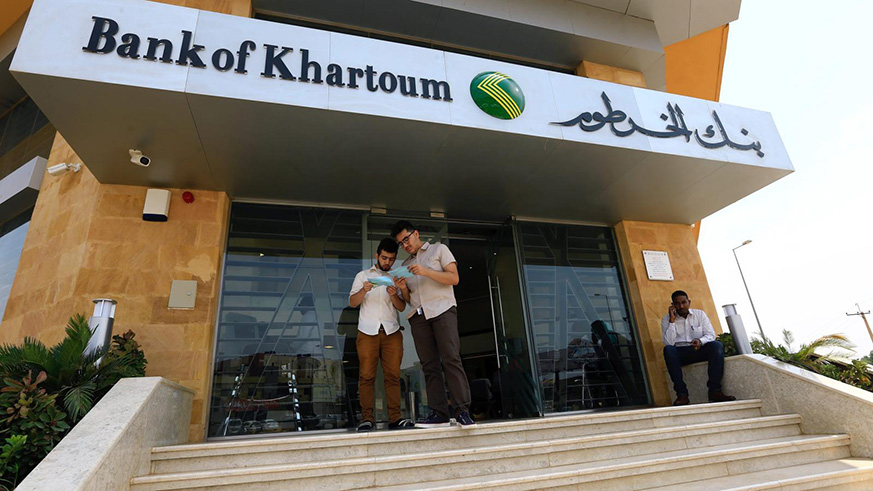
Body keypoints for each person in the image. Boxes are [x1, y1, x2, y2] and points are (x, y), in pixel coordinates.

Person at [391, 220, 474, 427]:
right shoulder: (404, 266)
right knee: (429, 365)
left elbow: (454, 278)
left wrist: (426, 271)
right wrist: (402, 289)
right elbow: (410, 299)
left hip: (442, 310)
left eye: (406, 239)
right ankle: (439, 413)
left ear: (416, 233)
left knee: (451, 359)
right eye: (401, 243)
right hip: (418, 316)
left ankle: (462, 410)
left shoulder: (439, 249)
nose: (405, 245)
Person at [349, 238, 414, 432]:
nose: (387, 262)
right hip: (367, 331)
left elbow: (402, 307)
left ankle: (395, 418)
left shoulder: (396, 277)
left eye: (391, 259)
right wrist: (364, 289)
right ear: (377, 255)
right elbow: (353, 302)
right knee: (366, 376)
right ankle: (367, 418)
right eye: (384, 258)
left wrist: (395, 293)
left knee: (393, 375)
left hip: (391, 331)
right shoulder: (363, 275)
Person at [661, 290, 736, 406]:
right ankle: (682, 395)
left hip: (698, 349)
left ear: (689, 302)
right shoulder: (666, 319)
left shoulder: (700, 315)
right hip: (680, 353)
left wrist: (700, 341)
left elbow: (710, 335)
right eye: (677, 304)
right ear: (673, 305)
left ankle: (715, 391)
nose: (681, 306)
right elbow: (669, 342)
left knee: (716, 346)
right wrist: (672, 322)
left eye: (683, 302)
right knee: (668, 350)